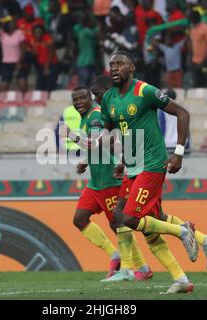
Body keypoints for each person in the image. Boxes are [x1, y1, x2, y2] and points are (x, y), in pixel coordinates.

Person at [97, 51, 200, 293]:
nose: (114, 68)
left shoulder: (145, 91)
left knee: (132, 219)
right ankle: (181, 280)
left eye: (119, 64)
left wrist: (178, 153)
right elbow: (111, 132)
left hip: (152, 164)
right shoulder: (108, 98)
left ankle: (183, 231)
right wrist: (118, 157)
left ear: (131, 68)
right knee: (122, 216)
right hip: (132, 167)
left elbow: (182, 113)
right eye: (111, 65)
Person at [70, 79, 153, 281]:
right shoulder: (87, 117)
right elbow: (102, 145)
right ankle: (115, 255)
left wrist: (72, 136)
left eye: (83, 98)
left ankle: (141, 267)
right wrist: (86, 161)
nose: (79, 101)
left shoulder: (96, 116)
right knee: (79, 219)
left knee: (119, 224)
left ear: (91, 99)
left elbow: (96, 143)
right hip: (95, 182)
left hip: (110, 181)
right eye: (75, 99)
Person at [189, 10, 207, 89]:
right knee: (196, 85)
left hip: (206, 62)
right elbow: (192, 44)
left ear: (196, 18)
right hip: (195, 62)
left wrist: (203, 61)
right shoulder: (192, 28)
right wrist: (191, 58)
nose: (190, 19)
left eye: (191, 17)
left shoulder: (205, 28)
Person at [0, 16, 25, 92]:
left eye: (13, 23)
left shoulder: (19, 33)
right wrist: (3, 21)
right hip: (6, 62)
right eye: (10, 23)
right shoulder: (2, 33)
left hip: (17, 61)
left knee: (22, 84)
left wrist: (20, 62)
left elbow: (23, 48)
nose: (12, 24)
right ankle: (3, 101)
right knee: (4, 85)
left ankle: (25, 101)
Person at [31, 24, 59, 91]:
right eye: (35, 32)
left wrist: (47, 67)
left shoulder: (47, 38)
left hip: (51, 65)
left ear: (42, 32)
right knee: (39, 86)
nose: (37, 33)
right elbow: (34, 53)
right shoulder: (35, 40)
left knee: (50, 85)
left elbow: (51, 53)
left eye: (39, 31)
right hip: (41, 66)